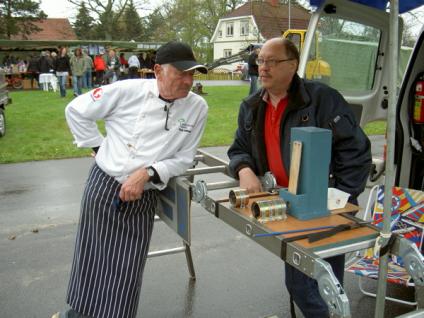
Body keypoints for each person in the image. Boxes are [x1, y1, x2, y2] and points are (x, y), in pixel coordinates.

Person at [53, 41, 208, 318]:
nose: (188, 81)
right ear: (158, 70)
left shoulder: (197, 108)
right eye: (181, 73)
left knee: (126, 270)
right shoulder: (127, 91)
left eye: (192, 74)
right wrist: (100, 149)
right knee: (91, 259)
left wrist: (147, 172)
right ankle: (75, 314)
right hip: (102, 188)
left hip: (142, 196)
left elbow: (185, 158)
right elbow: (76, 110)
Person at [227, 38, 371, 318]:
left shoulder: (322, 99)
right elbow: (238, 149)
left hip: (323, 207)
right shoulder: (252, 106)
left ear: (292, 65)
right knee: (311, 283)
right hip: (283, 206)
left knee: (310, 284)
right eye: (260, 61)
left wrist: (339, 197)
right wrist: (243, 169)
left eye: (272, 61)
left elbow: (357, 151)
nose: (263, 68)